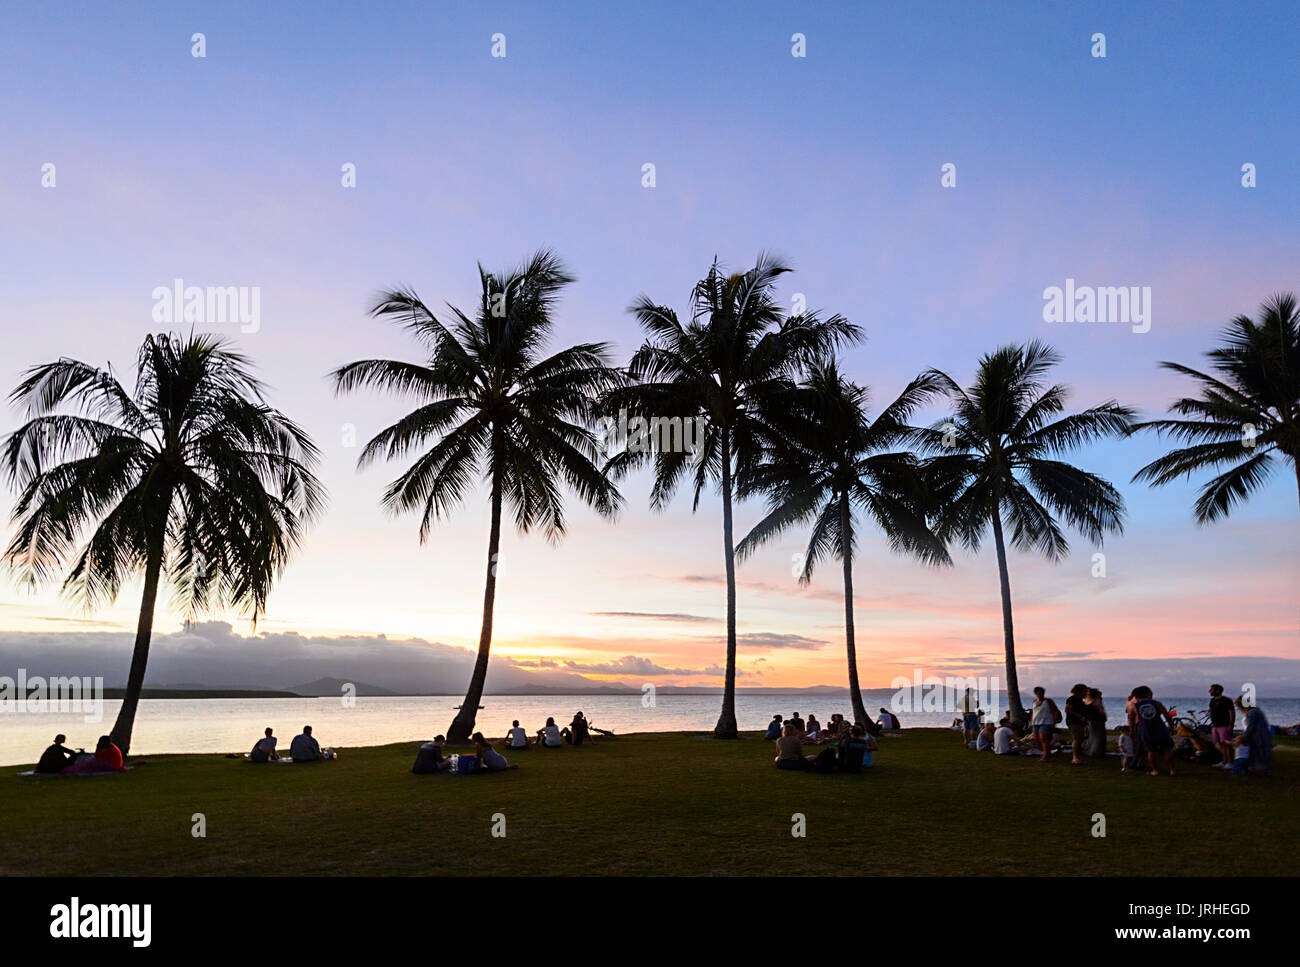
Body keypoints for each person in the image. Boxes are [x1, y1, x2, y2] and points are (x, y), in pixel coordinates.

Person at [1128, 685, 1175, 776]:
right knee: (1167, 750)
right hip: (1160, 729)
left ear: (1137, 697)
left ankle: (1155, 770)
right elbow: (1167, 715)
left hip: (1146, 731)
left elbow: (1130, 718)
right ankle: (1172, 769)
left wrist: (1131, 731)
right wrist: (1171, 726)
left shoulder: (1135, 707)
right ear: (1149, 694)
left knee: (1151, 751)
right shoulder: (1157, 703)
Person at [1238, 696, 1273, 775]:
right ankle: (1260, 768)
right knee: (1261, 751)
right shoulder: (1255, 710)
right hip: (1261, 733)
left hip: (1259, 735)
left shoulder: (1252, 712)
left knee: (1259, 751)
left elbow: (1251, 726)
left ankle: (1261, 769)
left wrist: (1244, 736)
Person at [1029, 687, 1062, 761]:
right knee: (1037, 739)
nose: (1040, 694)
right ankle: (1047, 751)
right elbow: (1034, 713)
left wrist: (1054, 722)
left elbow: (1055, 711)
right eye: (1038, 693)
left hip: (1046, 722)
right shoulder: (1034, 702)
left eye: (1041, 692)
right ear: (1035, 693)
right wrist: (1031, 722)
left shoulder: (1048, 701)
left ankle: (1045, 755)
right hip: (1036, 723)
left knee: (1043, 738)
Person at [1208, 684, 1235, 769]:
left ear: (1217, 691)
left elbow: (1232, 712)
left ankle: (1230, 762)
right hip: (1215, 725)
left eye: (1211, 690)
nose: (1209, 691)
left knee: (1226, 744)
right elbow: (1211, 710)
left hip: (1224, 725)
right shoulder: (1212, 701)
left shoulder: (1226, 700)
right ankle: (1224, 761)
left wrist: (1231, 725)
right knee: (1220, 744)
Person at [1064, 683, 1089, 765]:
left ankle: (1078, 756)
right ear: (1079, 691)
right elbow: (1068, 710)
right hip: (1073, 722)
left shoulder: (1081, 701)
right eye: (1085, 691)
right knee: (1077, 739)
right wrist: (1080, 716)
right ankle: (1075, 758)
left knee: (1080, 738)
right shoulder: (1071, 699)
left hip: (1080, 722)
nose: (1086, 693)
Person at [1083, 687, 1108, 758]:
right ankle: (1096, 752)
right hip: (1097, 720)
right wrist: (1104, 717)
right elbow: (1101, 710)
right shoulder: (1096, 700)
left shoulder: (1086, 700)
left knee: (1092, 736)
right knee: (1099, 737)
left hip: (1090, 720)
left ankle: (1090, 751)